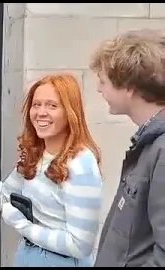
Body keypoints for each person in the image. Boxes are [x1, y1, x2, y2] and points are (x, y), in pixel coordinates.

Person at [0, 74, 103, 267]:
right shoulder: (35, 155)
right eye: (36, 105)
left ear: (70, 112)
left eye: (52, 105)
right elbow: (2, 199)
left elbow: (80, 245)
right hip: (28, 255)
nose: (41, 112)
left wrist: (24, 226)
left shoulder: (81, 163)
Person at [90, 29, 165, 267]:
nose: (99, 89)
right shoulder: (148, 145)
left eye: (103, 81)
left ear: (129, 86)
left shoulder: (161, 151)